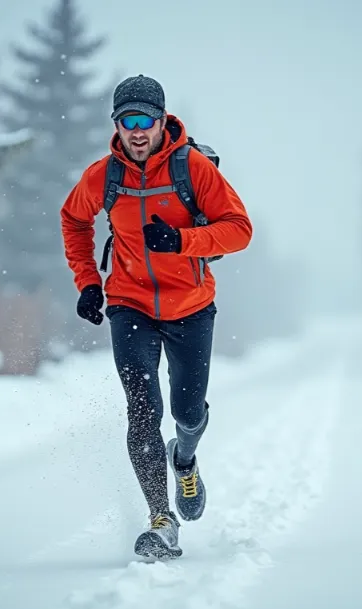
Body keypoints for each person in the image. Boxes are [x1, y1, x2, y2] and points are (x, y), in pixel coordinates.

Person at [59, 74, 252, 558]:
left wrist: (183, 242)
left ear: (162, 121)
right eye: (128, 121)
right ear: (117, 126)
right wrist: (87, 281)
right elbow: (73, 218)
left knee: (188, 414)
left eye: (146, 120)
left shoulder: (193, 170)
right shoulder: (105, 176)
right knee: (143, 409)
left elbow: (239, 230)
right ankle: (161, 521)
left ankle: (184, 462)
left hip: (191, 306)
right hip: (130, 305)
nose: (137, 130)